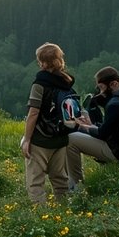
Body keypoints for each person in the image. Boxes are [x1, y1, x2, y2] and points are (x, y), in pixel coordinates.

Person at [66, 66, 119, 184]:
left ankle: (76, 185)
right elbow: (112, 128)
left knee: (71, 139)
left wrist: (82, 126)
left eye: (101, 88)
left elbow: (102, 134)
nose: (101, 92)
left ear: (114, 84)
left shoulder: (116, 104)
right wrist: (91, 125)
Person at [21, 42, 75, 203]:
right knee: (60, 179)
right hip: (61, 137)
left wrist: (27, 139)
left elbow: (33, 113)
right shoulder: (67, 82)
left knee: (35, 181)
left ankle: (40, 218)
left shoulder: (40, 83)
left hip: (41, 139)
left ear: (43, 62)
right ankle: (64, 209)